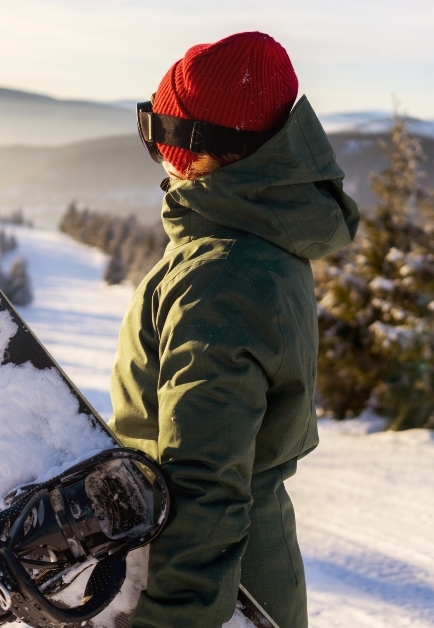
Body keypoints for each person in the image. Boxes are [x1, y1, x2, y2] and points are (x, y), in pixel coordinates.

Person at [108, 31, 360, 628]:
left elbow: (203, 480)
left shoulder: (220, 276)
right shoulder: (258, 245)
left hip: (213, 590)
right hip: (239, 566)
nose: (159, 154)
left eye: (161, 133)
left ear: (203, 147)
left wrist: (172, 620)